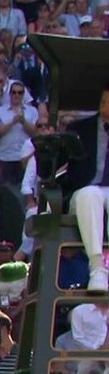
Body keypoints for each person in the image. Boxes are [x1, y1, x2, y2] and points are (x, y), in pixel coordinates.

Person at [68, 83, 109, 291]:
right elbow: (59, 166)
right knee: (90, 195)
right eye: (103, 101)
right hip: (86, 189)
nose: (104, 106)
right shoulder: (79, 129)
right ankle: (97, 268)